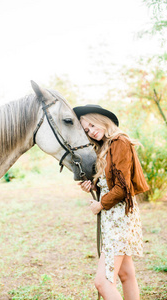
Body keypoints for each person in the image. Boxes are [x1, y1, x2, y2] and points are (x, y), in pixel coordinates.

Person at [73, 104, 149, 300]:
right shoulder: (105, 148)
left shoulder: (119, 142)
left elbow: (123, 188)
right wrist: (94, 187)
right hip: (114, 217)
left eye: (92, 124)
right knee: (126, 275)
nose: (91, 131)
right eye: (87, 130)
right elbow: (112, 183)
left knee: (103, 282)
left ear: (101, 119)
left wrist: (100, 204)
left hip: (119, 218)